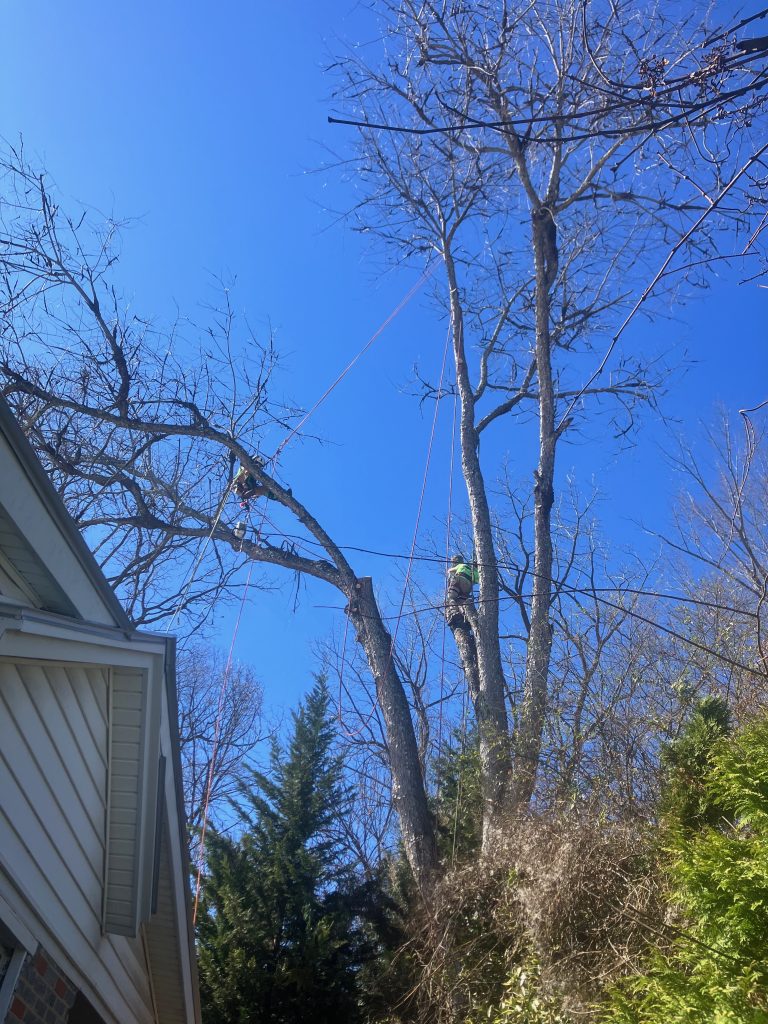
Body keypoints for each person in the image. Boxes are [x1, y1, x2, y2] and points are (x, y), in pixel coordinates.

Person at [446, 554, 479, 626]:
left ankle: (454, 612)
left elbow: (450, 571)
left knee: (451, 597)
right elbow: (476, 581)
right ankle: (465, 616)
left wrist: (450, 571)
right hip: (468, 587)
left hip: (459, 579)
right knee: (461, 602)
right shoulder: (477, 573)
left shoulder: (462, 565)